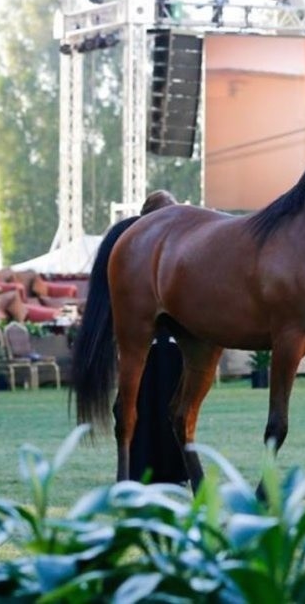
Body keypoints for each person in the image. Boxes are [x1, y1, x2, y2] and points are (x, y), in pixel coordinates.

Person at [113, 189, 188, 484]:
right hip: (147, 346)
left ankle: (174, 470)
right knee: (142, 404)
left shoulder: (177, 252)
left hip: (172, 347)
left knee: (174, 404)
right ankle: (138, 468)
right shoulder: (134, 253)